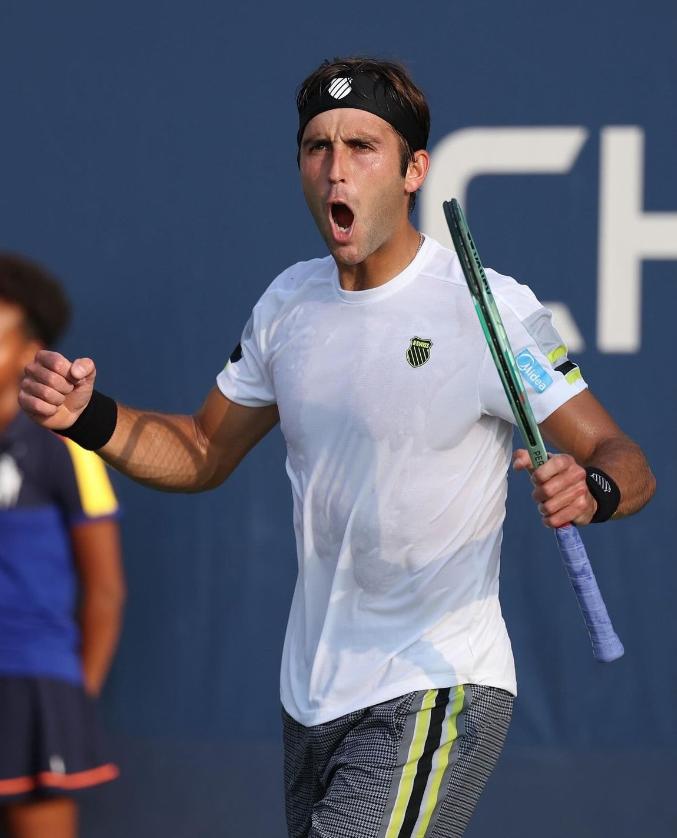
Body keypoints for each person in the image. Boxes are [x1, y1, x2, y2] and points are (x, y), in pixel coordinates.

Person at [18, 58, 655, 838]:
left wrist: (592, 489)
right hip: (312, 695)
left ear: (413, 168)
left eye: (362, 146)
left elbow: (622, 455)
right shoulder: (287, 304)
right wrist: (91, 417)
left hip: (438, 681)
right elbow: (199, 450)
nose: (335, 171)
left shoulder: (490, 307)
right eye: (317, 148)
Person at [0, 254, 125, 838]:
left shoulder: (65, 447)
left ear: (30, 351)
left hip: (36, 688)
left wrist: (72, 698)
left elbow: (104, 589)